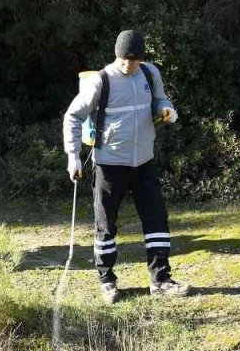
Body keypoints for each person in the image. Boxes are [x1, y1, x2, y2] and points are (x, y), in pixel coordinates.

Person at [62, 30, 190, 303]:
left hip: (144, 162)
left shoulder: (150, 73)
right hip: (109, 165)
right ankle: (107, 281)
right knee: (106, 225)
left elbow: (160, 100)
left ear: (141, 59)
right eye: (124, 60)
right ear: (116, 55)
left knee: (156, 219)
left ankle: (161, 280)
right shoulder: (101, 81)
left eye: (133, 61)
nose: (128, 65)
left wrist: (168, 111)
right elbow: (73, 116)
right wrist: (73, 156)